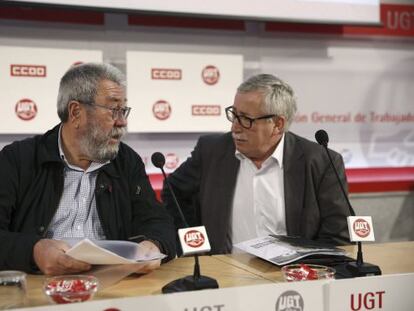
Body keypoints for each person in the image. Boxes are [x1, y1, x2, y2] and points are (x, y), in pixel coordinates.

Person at [0, 63, 176, 275]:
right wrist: (33, 251)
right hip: (39, 286)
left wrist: (153, 245)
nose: (122, 122)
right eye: (113, 110)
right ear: (76, 112)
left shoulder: (127, 161)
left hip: (113, 284)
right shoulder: (18, 159)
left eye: (124, 110)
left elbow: (157, 220)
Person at [162, 74, 351, 254]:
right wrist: (194, 244)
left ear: (277, 124)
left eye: (245, 119)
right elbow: (173, 193)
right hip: (225, 275)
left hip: (293, 279)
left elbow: (336, 236)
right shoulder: (211, 151)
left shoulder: (321, 162)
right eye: (234, 115)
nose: (235, 126)